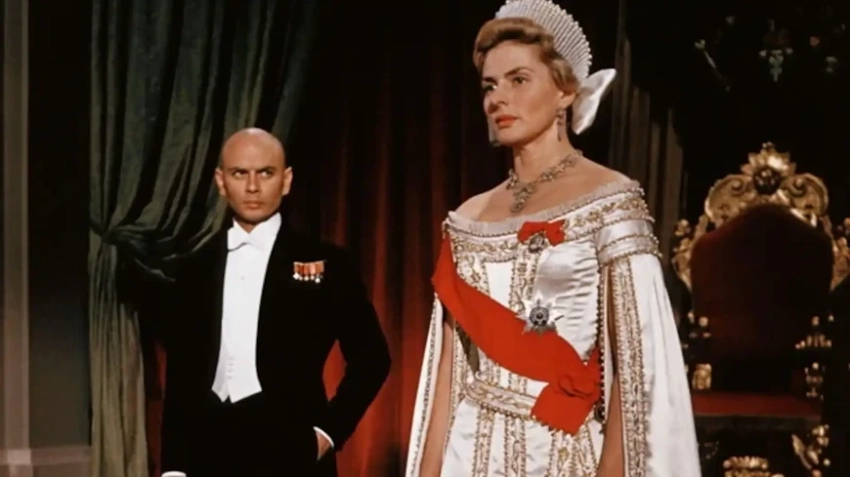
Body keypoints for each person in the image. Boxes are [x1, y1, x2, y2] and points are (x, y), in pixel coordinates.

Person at [404, 1, 701, 476]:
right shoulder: (467, 217)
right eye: (489, 86)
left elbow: (636, 366)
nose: (498, 99)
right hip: (469, 451)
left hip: (560, 451)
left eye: (519, 80)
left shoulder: (611, 200)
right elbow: (449, 371)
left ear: (565, 91)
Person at [157, 128, 391, 477]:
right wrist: (174, 469)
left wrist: (326, 434)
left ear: (286, 180)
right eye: (240, 173)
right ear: (221, 182)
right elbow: (181, 378)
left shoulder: (327, 263)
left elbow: (372, 358)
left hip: (292, 452)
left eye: (265, 173)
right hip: (205, 454)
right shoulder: (194, 269)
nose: (252, 187)